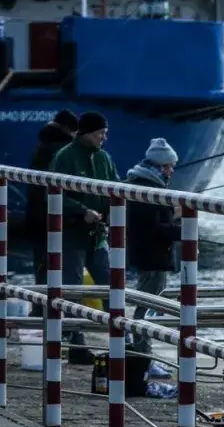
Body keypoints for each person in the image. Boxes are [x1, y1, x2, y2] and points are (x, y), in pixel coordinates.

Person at [49, 111, 118, 365]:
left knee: (111, 284)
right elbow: (54, 194)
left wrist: (109, 212)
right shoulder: (64, 157)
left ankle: (120, 339)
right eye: (100, 133)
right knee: (72, 289)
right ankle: (76, 344)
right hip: (72, 234)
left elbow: (115, 186)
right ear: (86, 133)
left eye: (105, 133)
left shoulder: (104, 158)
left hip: (98, 236)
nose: (104, 138)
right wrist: (81, 211)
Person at [124, 138, 182, 391]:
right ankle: (143, 357)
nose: (171, 171)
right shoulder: (147, 189)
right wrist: (181, 227)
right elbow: (154, 228)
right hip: (152, 256)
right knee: (147, 306)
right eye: (168, 166)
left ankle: (143, 354)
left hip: (149, 254)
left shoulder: (143, 184)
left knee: (147, 304)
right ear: (158, 166)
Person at [26, 110, 78, 303]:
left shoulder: (41, 147)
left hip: (37, 214)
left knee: (42, 264)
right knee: (64, 266)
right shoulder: (65, 151)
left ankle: (40, 307)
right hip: (59, 215)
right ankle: (63, 311)